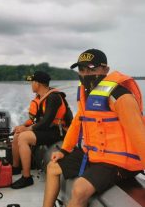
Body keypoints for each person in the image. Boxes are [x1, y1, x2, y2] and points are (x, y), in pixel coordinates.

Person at [42, 49, 145, 207]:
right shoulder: (87, 94)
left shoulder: (120, 96)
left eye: (92, 69)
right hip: (93, 153)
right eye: (82, 70)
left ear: (106, 70)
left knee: (79, 189)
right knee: (52, 167)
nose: (86, 74)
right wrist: (64, 150)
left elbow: (140, 137)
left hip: (117, 161)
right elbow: (78, 123)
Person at [11, 71, 73, 189]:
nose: (31, 85)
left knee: (23, 137)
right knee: (17, 135)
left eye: (32, 82)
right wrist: (22, 126)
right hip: (47, 130)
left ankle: (26, 177)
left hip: (58, 132)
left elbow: (46, 121)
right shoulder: (40, 97)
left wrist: (27, 129)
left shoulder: (53, 98)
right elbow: (34, 119)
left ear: (37, 83)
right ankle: (16, 168)